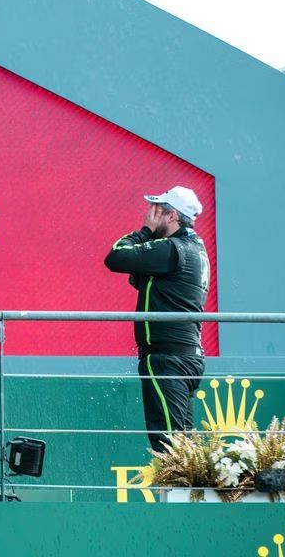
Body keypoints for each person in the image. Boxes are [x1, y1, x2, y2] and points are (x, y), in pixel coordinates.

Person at [103, 186, 210, 454]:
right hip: (185, 355)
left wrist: (144, 232)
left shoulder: (172, 248)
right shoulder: (194, 247)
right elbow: (140, 278)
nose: (150, 214)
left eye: (156, 211)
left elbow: (116, 257)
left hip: (168, 358)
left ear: (171, 215)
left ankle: (179, 495)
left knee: (169, 443)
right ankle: (184, 493)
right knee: (183, 445)